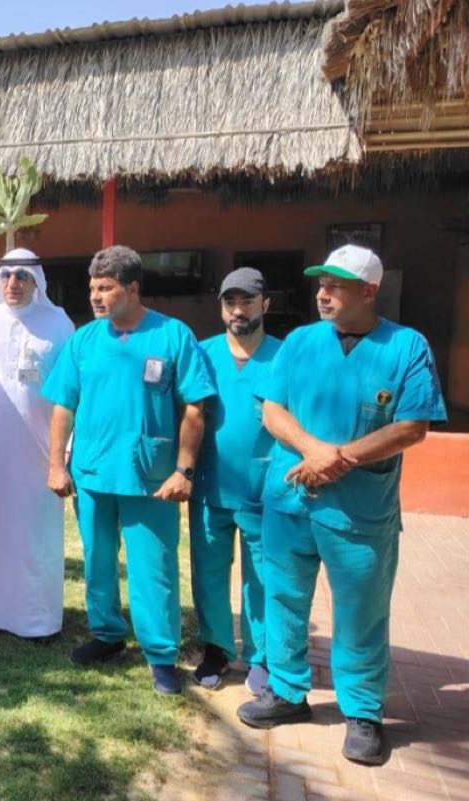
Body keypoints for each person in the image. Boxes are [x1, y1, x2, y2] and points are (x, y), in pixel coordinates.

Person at [236, 245, 446, 765]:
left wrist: (341, 458)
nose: (322, 294)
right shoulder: (301, 342)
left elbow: (412, 426)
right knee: (283, 598)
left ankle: (362, 710)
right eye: (320, 284)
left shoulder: (406, 347)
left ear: (369, 291)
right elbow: (273, 410)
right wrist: (315, 451)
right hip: (290, 500)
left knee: (361, 611)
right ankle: (287, 692)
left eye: (336, 285)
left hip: (359, 510)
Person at [42, 245, 215, 695]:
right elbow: (63, 406)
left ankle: (160, 653)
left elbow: (194, 409)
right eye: (92, 288)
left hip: (150, 477)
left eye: (105, 288)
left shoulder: (172, 336)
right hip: (92, 473)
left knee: (153, 566)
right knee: (98, 560)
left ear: (133, 288)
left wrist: (183, 470)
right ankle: (107, 635)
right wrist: (57, 465)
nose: (95, 296)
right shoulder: (84, 340)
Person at [0, 248, 74, 641]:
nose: (13, 283)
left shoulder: (59, 324)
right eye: (6, 276)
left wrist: (65, 452)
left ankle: (37, 621)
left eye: (22, 276)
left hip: (39, 452)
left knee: (35, 533)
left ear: (37, 282)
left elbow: (70, 392)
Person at [189, 268, 281, 691]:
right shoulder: (202, 354)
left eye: (247, 302)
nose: (238, 310)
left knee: (260, 576)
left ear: (266, 304)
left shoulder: (284, 355)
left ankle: (260, 656)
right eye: (230, 302)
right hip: (210, 484)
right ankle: (216, 648)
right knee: (208, 572)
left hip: (264, 489)